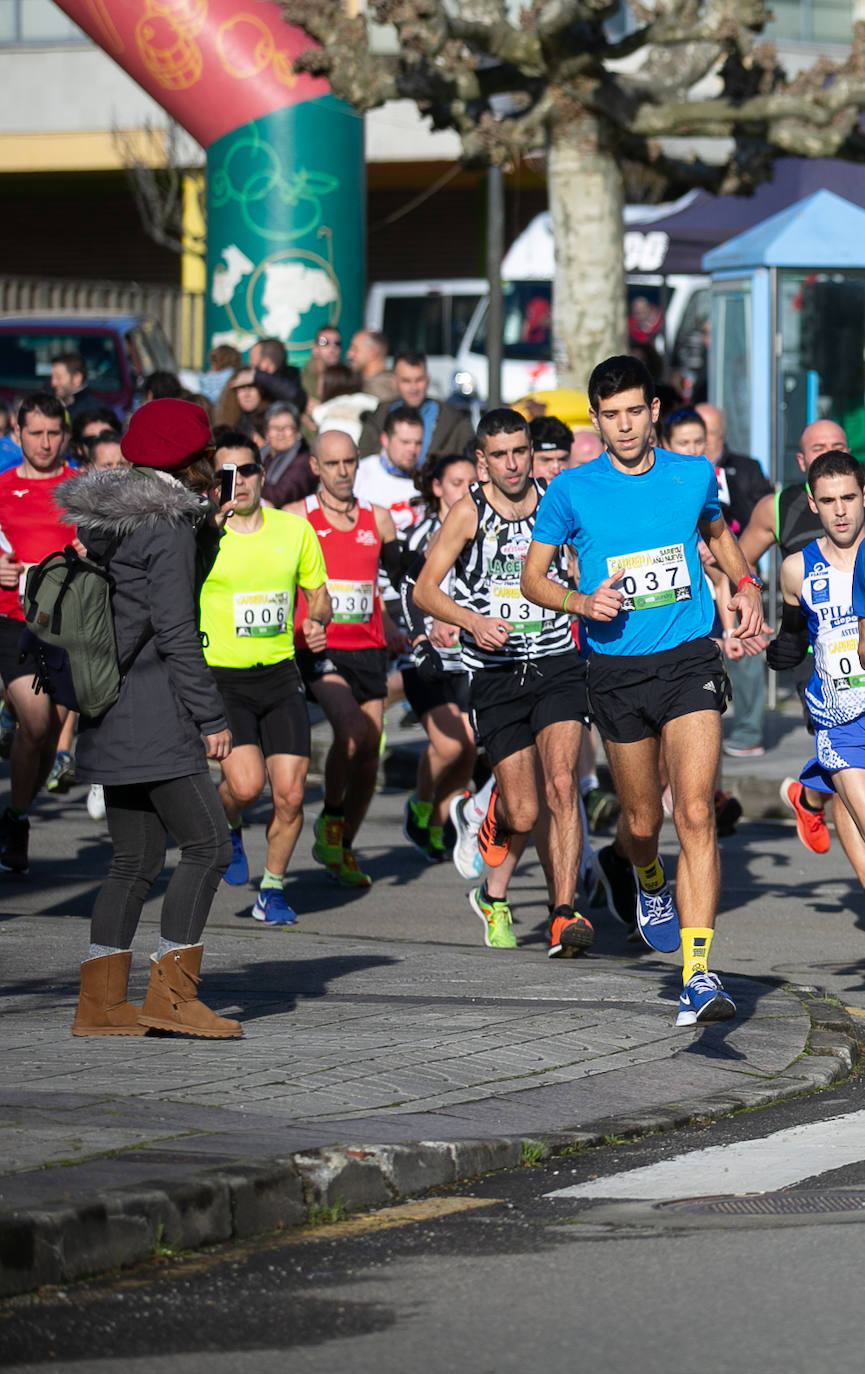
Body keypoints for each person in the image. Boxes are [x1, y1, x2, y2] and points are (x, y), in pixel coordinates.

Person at [522, 355, 764, 1025]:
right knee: (639, 823)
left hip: (688, 659)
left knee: (693, 811)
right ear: (595, 422)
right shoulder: (571, 488)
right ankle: (646, 880)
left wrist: (743, 587)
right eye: (611, 416)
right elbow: (531, 579)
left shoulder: (691, 473)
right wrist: (579, 599)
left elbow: (717, 531)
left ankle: (697, 973)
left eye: (634, 411)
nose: (624, 426)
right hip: (615, 671)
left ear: (653, 411)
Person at [60, 398, 239, 1039]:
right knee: (210, 844)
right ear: (189, 461)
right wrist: (211, 716)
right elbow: (176, 630)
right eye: (206, 456)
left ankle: (101, 1005)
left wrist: (208, 530)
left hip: (107, 708)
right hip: (155, 711)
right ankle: (171, 998)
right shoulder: (163, 528)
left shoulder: (119, 520)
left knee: (134, 860)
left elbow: (164, 595)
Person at [414, 408, 593, 958]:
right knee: (523, 812)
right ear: (481, 461)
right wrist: (471, 622)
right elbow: (425, 588)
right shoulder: (469, 513)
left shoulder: (555, 501)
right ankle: (488, 821)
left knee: (562, 784)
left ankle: (563, 915)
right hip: (496, 673)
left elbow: (579, 566)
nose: (513, 464)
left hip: (558, 662)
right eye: (501, 455)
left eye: (521, 451)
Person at [200, 431, 330, 925]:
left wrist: (317, 618)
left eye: (247, 470)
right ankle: (227, 823)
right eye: (225, 474)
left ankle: (271, 890)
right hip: (224, 677)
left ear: (262, 473)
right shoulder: (204, 535)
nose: (238, 482)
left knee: (292, 794)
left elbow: (318, 594)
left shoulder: (293, 530)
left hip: (278, 674)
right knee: (247, 785)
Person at [289, 428, 402, 888]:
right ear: (315, 467)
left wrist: (394, 626)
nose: (342, 472)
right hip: (323, 648)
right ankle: (331, 818)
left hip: (369, 646)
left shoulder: (378, 519)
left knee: (370, 758)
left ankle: (342, 845)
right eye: (332, 463)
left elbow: (385, 584)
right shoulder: (297, 517)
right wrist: (298, 629)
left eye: (349, 462)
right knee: (352, 733)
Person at [739, 419, 856, 853]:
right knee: (849, 775)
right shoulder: (778, 508)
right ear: (801, 461)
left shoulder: (856, 502)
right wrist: (746, 604)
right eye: (818, 447)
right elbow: (737, 564)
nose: (828, 453)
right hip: (816, 656)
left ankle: (808, 796)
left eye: (837, 446)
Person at [769, 452, 865, 894]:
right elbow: (792, 637)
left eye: (848, 497)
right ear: (812, 503)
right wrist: (779, 651)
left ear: (864, 495)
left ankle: (808, 796)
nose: (840, 510)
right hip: (839, 722)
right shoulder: (796, 570)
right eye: (828, 501)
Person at [0, 393, 78, 873]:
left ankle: (16, 815)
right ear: (18, 432)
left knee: (48, 732)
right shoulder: (2, 488)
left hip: (70, 626)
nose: (45, 443)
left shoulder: (81, 489)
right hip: (14, 621)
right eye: (36, 433)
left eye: (53, 433)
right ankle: (16, 819)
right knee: (35, 720)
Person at [400, 450, 478, 862]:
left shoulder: (480, 528)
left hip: (464, 657)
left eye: (470, 482)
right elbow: (401, 591)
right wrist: (424, 631)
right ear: (436, 487)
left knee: (468, 745)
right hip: (425, 656)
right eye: (454, 483)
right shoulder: (418, 534)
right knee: (450, 746)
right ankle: (422, 802)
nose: (464, 490)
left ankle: (442, 822)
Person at [358, 351, 475, 463]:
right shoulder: (378, 418)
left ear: (428, 379)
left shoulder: (455, 420)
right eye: (406, 381)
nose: (413, 388)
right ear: (393, 382)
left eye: (419, 380)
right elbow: (365, 462)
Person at [259, 402, 316, 508]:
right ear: (266, 432)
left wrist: (251, 480)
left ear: (297, 431)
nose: (280, 433)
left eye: (286, 428)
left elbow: (280, 496)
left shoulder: (303, 461)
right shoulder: (264, 455)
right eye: (275, 427)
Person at [346, 329, 396, 403]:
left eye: (355, 349)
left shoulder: (382, 388)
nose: (349, 355)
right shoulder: (357, 380)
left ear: (372, 352)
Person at [301, 327, 343, 410]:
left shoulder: (347, 379)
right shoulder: (300, 378)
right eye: (325, 343)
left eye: (337, 343)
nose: (332, 348)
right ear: (315, 349)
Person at [50, 352, 94, 419]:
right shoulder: (52, 405)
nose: (53, 383)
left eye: (59, 377)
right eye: (52, 377)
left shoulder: (92, 413)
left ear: (77, 378)